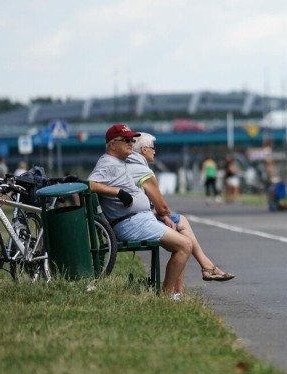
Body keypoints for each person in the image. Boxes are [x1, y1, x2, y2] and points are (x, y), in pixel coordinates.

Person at [88, 124, 192, 298]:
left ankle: (176, 292)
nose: (131, 143)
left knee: (182, 230)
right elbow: (88, 184)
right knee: (184, 245)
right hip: (131, 223)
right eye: (126, 140)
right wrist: (117, 192)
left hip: (139, 219)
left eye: (132, 140)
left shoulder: (119, 162)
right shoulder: (107, 163)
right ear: (112, 144)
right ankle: (167, 297)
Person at [127, 133, 235, 282]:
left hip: (134, 218)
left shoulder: (130, 165)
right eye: (153, 148)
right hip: (135, 222)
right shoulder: (141, 170)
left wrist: (163, 215)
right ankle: (175, 291)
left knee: (181, 223)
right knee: (182, 239)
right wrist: (164, 214)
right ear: (144, 150)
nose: (155, 151)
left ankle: (206, 268)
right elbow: (162, 207)